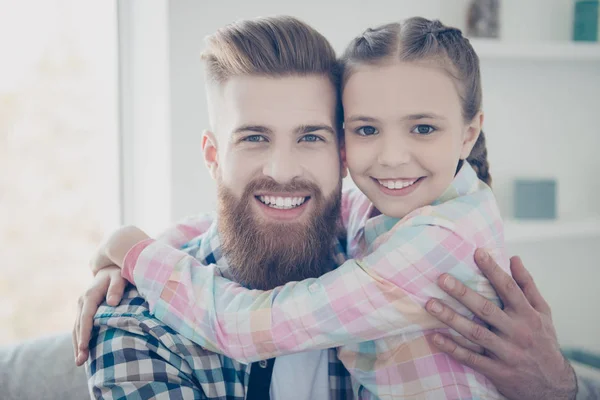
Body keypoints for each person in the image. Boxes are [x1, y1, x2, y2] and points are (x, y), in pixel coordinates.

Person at [75, 16, 583, 400]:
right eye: (253, 137)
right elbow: (214, 223)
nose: (283, 167)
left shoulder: (407, 247)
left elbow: (241, 328)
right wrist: (135, 249)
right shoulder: (135, 327)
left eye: (310, 137)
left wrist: (135, 251)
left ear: (335, 154)